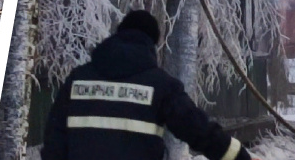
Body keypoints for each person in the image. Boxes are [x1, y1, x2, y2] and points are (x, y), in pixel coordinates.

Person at [42, 10, 252, 160]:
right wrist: (240, 156)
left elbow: (54, 139)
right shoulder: (160, 86)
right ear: (151, 43)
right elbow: (198, 129)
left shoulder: (77, 80)